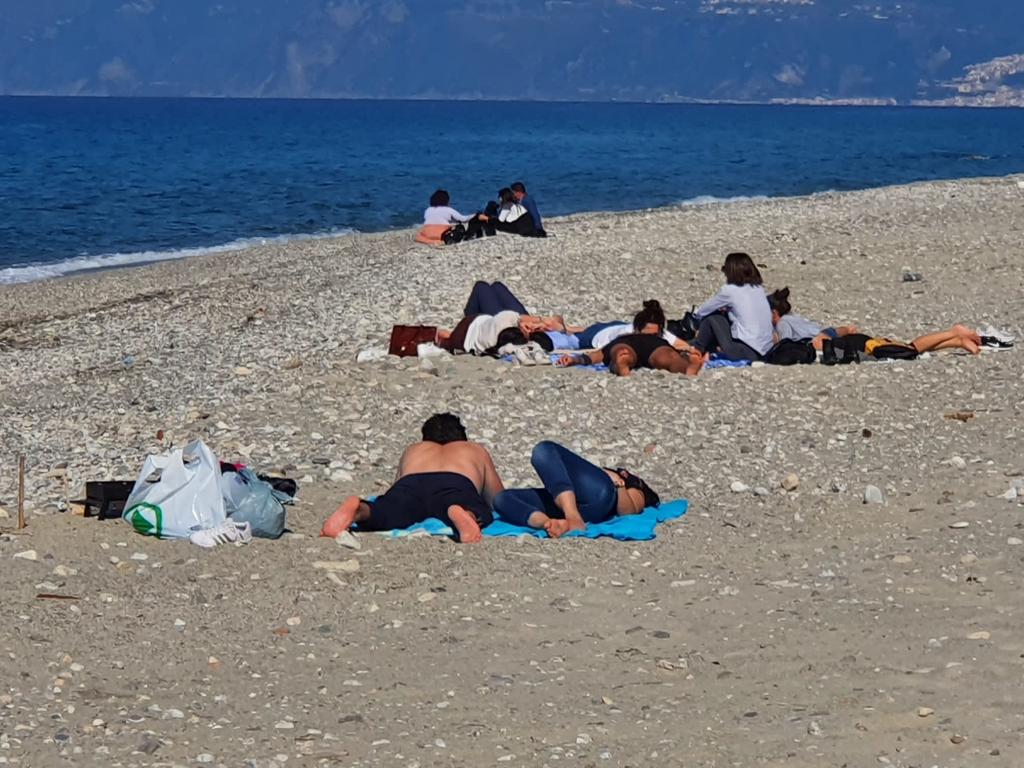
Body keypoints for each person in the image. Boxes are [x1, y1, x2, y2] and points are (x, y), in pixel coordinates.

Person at [320, 414, 504, 544]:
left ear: (425, 438)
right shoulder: (473, 449)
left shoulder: (414, 448)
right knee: (476, 508)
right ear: (463, 437)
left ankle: (361, 510)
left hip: (411, 484)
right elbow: (498, 499)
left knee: (389, 511)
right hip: (455, 484)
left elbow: (396, 486)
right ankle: (466, 514)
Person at [494, 440, 660, 538]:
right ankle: (548, 523)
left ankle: (572, 516)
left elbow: (629, 510)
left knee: (543, 449)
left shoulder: (634, 483)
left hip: (600, 498)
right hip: (569, 503)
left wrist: (618, 483)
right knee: (502, 499)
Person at [768, 287, 984, 357]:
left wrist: (774, 339)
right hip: (853, 340)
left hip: (855, 345)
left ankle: (952, 332)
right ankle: (957, 341)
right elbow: (833, 330)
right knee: (904, 348)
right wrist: (846, 329)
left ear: (774, 312)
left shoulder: (784, 325)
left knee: (910, 349)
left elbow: (787, 349)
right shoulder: (797, 320)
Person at [556, 302, 706, 376]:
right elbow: (679, 346)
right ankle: (686, 368)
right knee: (669, 357)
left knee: (620, 352)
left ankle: (622, 362)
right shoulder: (660, 335)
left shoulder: (626, 333)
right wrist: (689, 354)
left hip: (619, 341)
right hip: (655, 346)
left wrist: (575, 359)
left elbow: (597, 355)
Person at [436, 281, 574, 354]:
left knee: (482, 286)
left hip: (495, 323)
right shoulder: (510, 322)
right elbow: (569, 327)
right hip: (508, 324)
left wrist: (537, 322)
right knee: (496, 286)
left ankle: (470, 315)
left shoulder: (501, 325)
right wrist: (545, 323)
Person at [690, 252, 774, 361]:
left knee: (713, 319)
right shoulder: (758, 288)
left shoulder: (730, 290)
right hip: (765, 351)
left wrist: (695, 317)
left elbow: (702, 311)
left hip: (745, 351)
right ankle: (701, 349)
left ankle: (696, 349)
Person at [768, 287, 858, 351]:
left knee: (837, 346)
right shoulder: (791, 316)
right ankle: (848, 329)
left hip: (816, 339)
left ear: (774, 313)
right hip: (822, 330)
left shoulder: (782, 323)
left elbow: (785, 343)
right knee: (834, 331)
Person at [416, 189, 486, 244]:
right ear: (446, 200)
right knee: (460, 227)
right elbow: (463, 219)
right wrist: (475, 214)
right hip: (442, 235)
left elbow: (436, 219)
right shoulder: (448, 210)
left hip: (427, 233)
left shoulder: (428, 210)